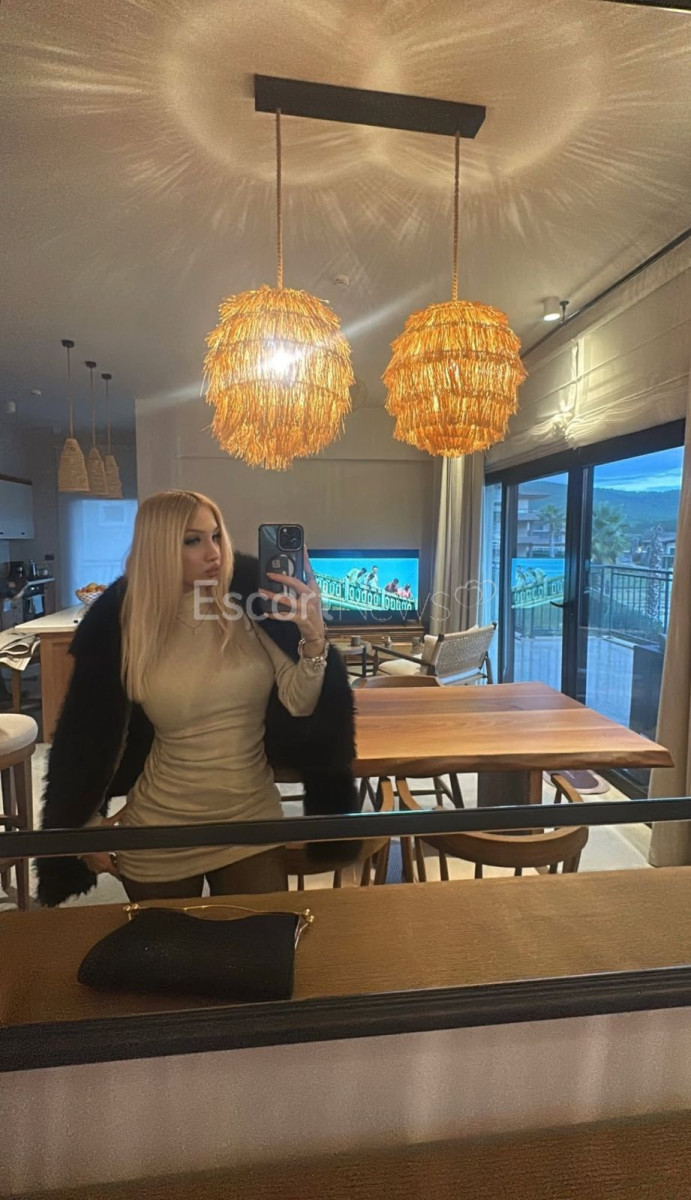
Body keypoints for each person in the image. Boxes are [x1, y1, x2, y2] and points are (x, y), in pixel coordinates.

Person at [37, 490, 357, 906]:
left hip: (251, 818)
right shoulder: (124, 625)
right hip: (160, 827)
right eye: (193, 540)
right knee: (165, 948)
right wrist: (84, 821)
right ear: (159, 547)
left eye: (216, 535)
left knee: (260, 942)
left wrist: (314, 639)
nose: (214, 552)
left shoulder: (248, 606)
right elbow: (86, 733)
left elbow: (300, 702)